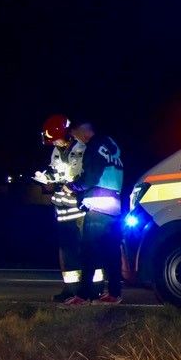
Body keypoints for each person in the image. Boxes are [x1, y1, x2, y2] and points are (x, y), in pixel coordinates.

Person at [64, 120, 125, 305]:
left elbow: (90, 177)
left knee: (88, 252)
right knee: (111, 253)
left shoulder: (94, 145)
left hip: (97, 204)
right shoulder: (111, 144)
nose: (76, 139)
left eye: (75, 135)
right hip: (114, 206)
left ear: (82, 131)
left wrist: (72, 186)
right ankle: (114, 293)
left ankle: (82, 296)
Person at [35, 114, 89, 302]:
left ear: (64, 134)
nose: (54, 144)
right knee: (66, 250)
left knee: (84, 248)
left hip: (80, 209)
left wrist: (71, 186)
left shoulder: (82, 149)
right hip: (62, 209)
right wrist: (46, 180)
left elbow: (86, 177)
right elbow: (55, 172)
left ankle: (90, 289)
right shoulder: (57, 151)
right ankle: (70, 289)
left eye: (55, 139)